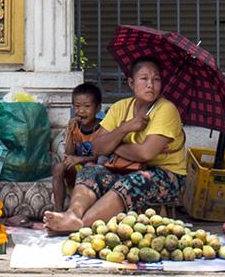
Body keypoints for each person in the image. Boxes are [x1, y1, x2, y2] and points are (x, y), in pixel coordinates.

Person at [44, 58, 188, 232]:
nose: (150, 84)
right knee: (91, 171)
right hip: (127, 168)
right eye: (144, 78)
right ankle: (72, 215)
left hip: (166, 175)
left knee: (131, 182)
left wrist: (113, 145)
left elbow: (145, 153)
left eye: (156, 79)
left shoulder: (166, 109)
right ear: (131, 83)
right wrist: (126, 127)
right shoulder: (120, 107)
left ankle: (79, 225)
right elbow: (97, 147)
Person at [52, 81, 105, 205]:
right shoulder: (75, 127)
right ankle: (58, 209)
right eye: (77, 106)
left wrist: (79, 159)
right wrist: (70, 132)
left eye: (87, 106)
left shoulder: (103, 128)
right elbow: (68, 154)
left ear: (98, 108)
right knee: (59, 167)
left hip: (97, 172)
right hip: (78, 170)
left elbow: (101, 157)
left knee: (89, 166)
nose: (81, 111)